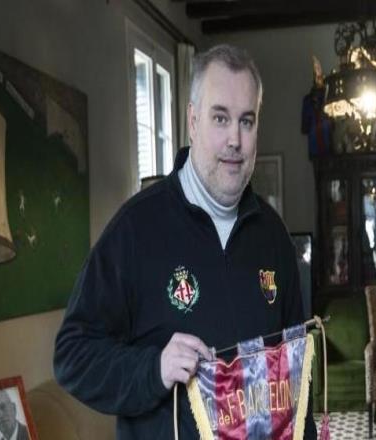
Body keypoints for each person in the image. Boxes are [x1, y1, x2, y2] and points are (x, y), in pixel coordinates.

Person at [54, 44, 316, 439]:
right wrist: (153, 368)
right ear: (192, 121)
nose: (234, 139)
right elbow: (72, 356)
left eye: (246, 121)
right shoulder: (135, 229)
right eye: (220, 118)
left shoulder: (274, 235)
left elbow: (296, 381)